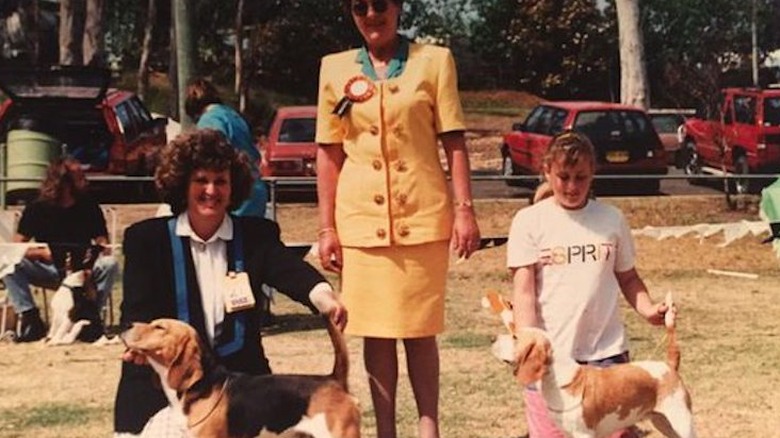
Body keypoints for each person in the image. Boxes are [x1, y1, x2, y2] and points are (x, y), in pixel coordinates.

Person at [315, 1, 480, 437]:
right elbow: (328, 154)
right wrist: (327, 227)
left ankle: (429, 428)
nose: (371, 14)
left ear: (399, 7)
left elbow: (455, 142)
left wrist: (465, 210)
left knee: (420, 331)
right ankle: (385, 431)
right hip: (361, 225)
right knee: (376, 333)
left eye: (381, 5)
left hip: (422, 218)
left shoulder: (435, 61)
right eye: (359, 6)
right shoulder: (333, 70)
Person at [113, 129, 347, 437]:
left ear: (233, 186)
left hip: (242, 397)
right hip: (159, 391)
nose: (211, 190)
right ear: (183, 183)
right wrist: (139, 347)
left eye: (220, 180)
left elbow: (288, 269)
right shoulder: (147, 239)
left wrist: (324, 297)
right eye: (201, 180)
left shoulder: (256, 236)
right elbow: (136, 311)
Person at [506, 131, 669, 438]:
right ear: (547, 172)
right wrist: (529, 344)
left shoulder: (611, 219)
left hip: (607, 357)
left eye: (580, 177)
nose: (571, 186)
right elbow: (524, 291)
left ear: (593, 172)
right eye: (563, 176)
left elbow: (628, 277)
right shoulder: (528, 221)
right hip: (551, 359)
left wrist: (649, 310)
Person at [3, 158, 118, 343]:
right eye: (79, 175)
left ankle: (90, 316)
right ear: (64, 181)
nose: (85, 179)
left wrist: (91, 264)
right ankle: (30, 317)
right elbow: (15, 247)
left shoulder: (88, 205)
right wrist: (39, 253)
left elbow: (103, 243)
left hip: (81, 272)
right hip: (48, 268)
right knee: (8, 264)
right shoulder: (37, 208)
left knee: (110, 265)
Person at [184, 77, 268, 219]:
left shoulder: (210, 120)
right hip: (255, 191)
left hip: (237, 196)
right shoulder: (234, 116)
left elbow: (211, 156)